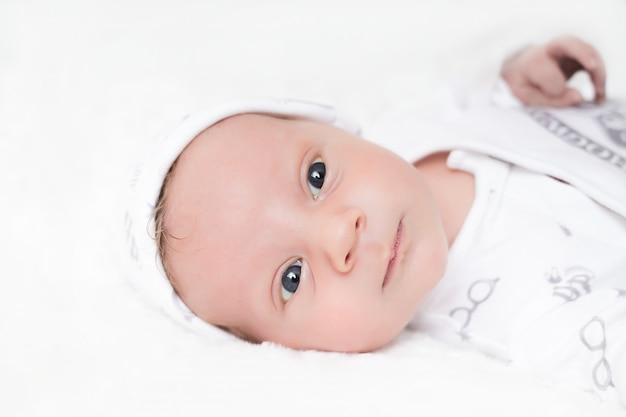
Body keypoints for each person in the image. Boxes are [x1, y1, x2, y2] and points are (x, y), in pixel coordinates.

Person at [124, 35, 625, 406]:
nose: (340, 234)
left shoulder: (411, 126)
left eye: (316, 175)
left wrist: (522, 78)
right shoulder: (523, 324)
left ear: (333, 127)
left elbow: (483, 92)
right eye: (291, 279)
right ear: (282, 349)